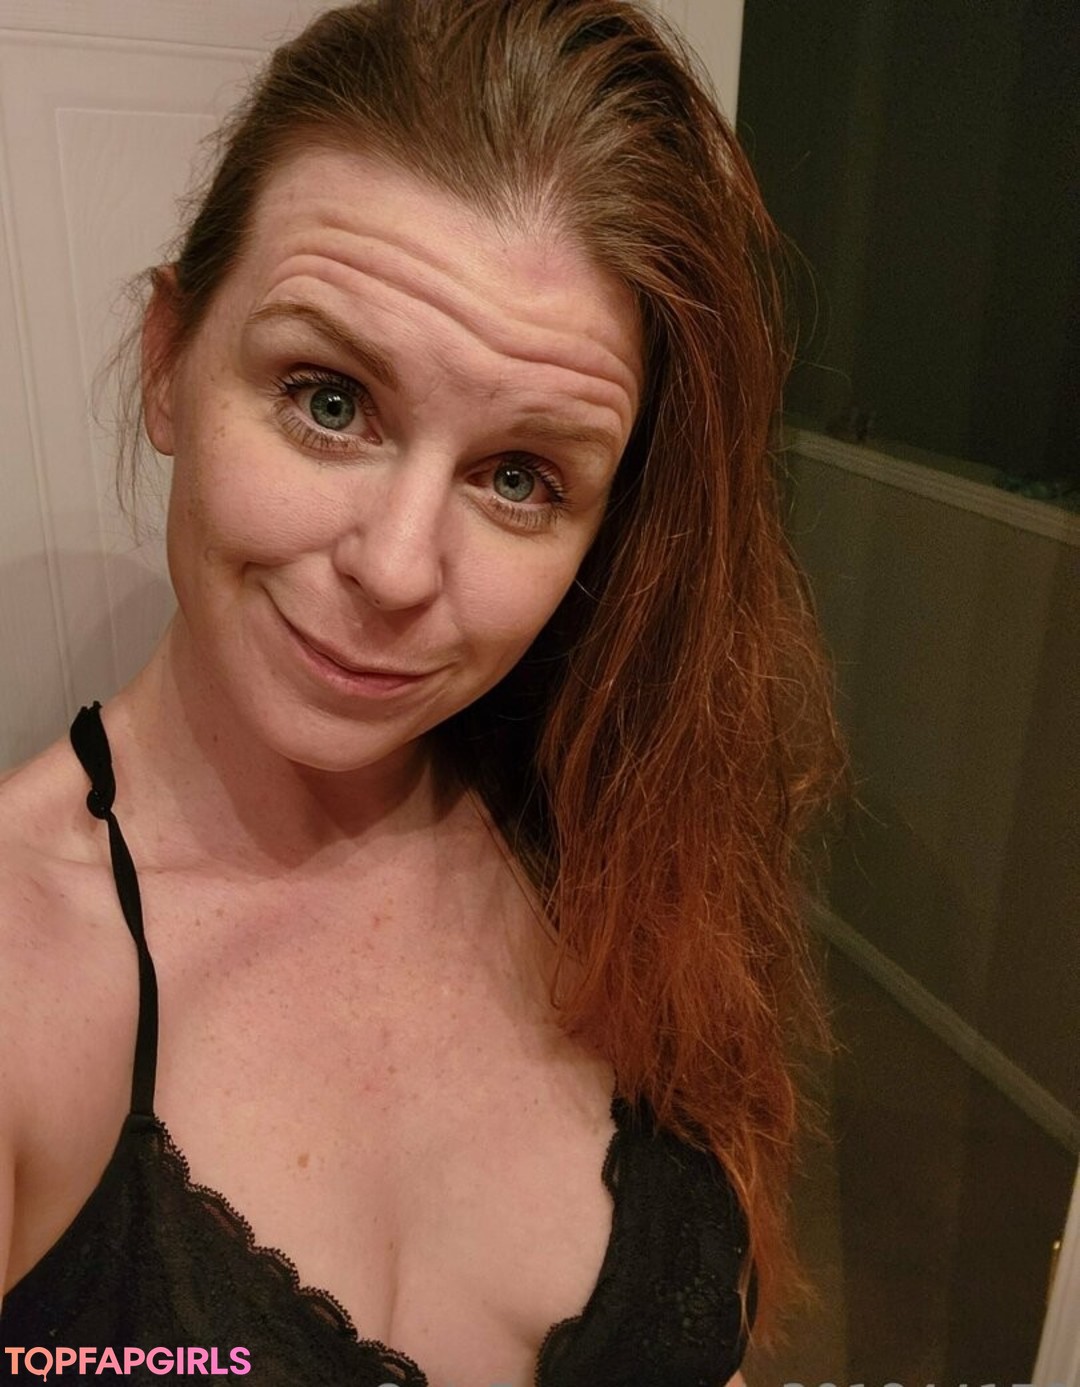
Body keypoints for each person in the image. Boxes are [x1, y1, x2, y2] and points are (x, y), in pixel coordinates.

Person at [0, 1, 841, 1382]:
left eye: (520, 477)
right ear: (167, 362)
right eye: (328, 399)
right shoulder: (21, 976)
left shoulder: (609, 837)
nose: (396, 570)